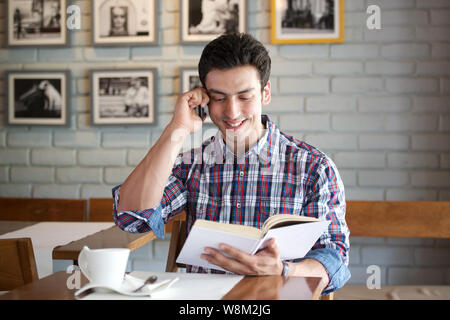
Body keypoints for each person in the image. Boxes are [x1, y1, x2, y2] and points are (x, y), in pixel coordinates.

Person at [113, 33, 350, 295]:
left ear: (265, 93)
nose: (232, 112)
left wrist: (283, 269)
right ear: (204, 98)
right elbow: (132, 217)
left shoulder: (313, 168)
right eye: (219, 97)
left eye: (244, 97)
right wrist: (177, 129)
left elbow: (335, 260)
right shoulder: (192, 164)